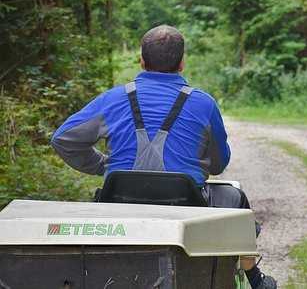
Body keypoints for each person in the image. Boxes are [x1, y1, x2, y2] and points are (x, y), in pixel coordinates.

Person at [51, 25, 277, 289]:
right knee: (236, 199)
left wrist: (103, 166)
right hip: (187, 206)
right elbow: (219, 164)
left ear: (142, 61)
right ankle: (254, 278)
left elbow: (63, 139)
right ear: (182, 63)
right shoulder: (204, 104)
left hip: (119, 202)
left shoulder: (112, 99)